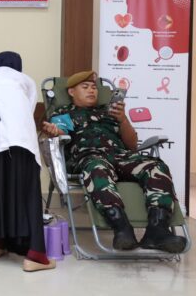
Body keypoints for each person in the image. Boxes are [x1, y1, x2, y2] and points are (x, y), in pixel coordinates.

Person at [42, 70, 186, 253]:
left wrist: (123, 119)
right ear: (71, 92)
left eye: (94, 87)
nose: (91, 90)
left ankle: (158, 231)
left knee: (156, 166)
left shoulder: (110, 111)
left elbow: (132, 145)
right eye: (85, 87)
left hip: (121, 156)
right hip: (90, 157)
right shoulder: (64, 113)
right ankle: (122, 229)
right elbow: (61, 132)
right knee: (96, 168)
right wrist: (55, 132)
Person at [0, 51, 55, 272]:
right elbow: (27, 109)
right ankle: (36, 255)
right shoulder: (23, 80)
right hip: (17, 139)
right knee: (27, 192)